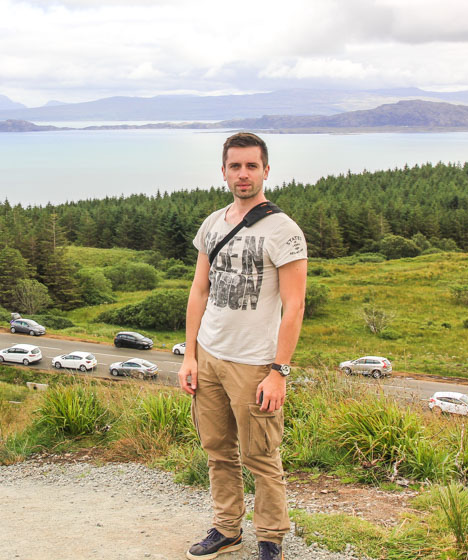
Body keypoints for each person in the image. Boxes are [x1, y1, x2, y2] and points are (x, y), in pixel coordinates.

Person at [178, 132, 307, 560]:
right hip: (210, 357)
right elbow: (199, 291)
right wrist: (190, 355)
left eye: (252, 166)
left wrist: (278, 371)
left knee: (261, 457)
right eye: (235, 166)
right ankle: (226, 528)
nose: (243, 174)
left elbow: (294, 305)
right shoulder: (213, 223)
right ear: (224, 172)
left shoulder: (284, 231)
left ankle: (270, 537)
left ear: (266, 171)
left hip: (254, 365)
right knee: (217, 451)